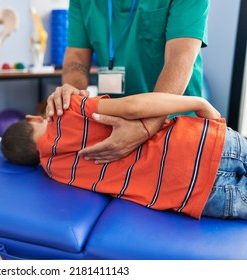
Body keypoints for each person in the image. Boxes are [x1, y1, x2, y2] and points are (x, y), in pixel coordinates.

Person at [1, 93, 247, 220]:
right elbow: (132, 107)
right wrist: (199, 103)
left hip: (196, 195)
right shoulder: (68, 111)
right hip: (202, 142)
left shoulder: (56, 173)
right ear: (31, 119)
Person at [46, 0, 210, 164]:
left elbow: (180, 56)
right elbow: (77, 54)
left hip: (173, 123)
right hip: (114, 126)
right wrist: (72, 95)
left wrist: (147, 126)